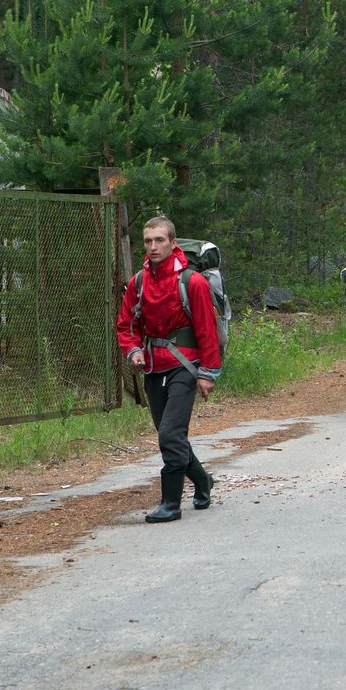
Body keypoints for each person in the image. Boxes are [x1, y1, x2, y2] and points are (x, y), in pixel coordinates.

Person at [117, 216, 221, 523]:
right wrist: (134, 351)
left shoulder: (194, 282)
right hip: (153, 365)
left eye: (159, 240)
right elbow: (127, 325)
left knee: (170, 434)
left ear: (173, 243)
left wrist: (207, 373)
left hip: (185, 365)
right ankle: (202, 482)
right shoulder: (138, 282)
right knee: (171, 435)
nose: (153, 247)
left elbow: (207, 331)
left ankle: (171, 503)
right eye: (148, 241)